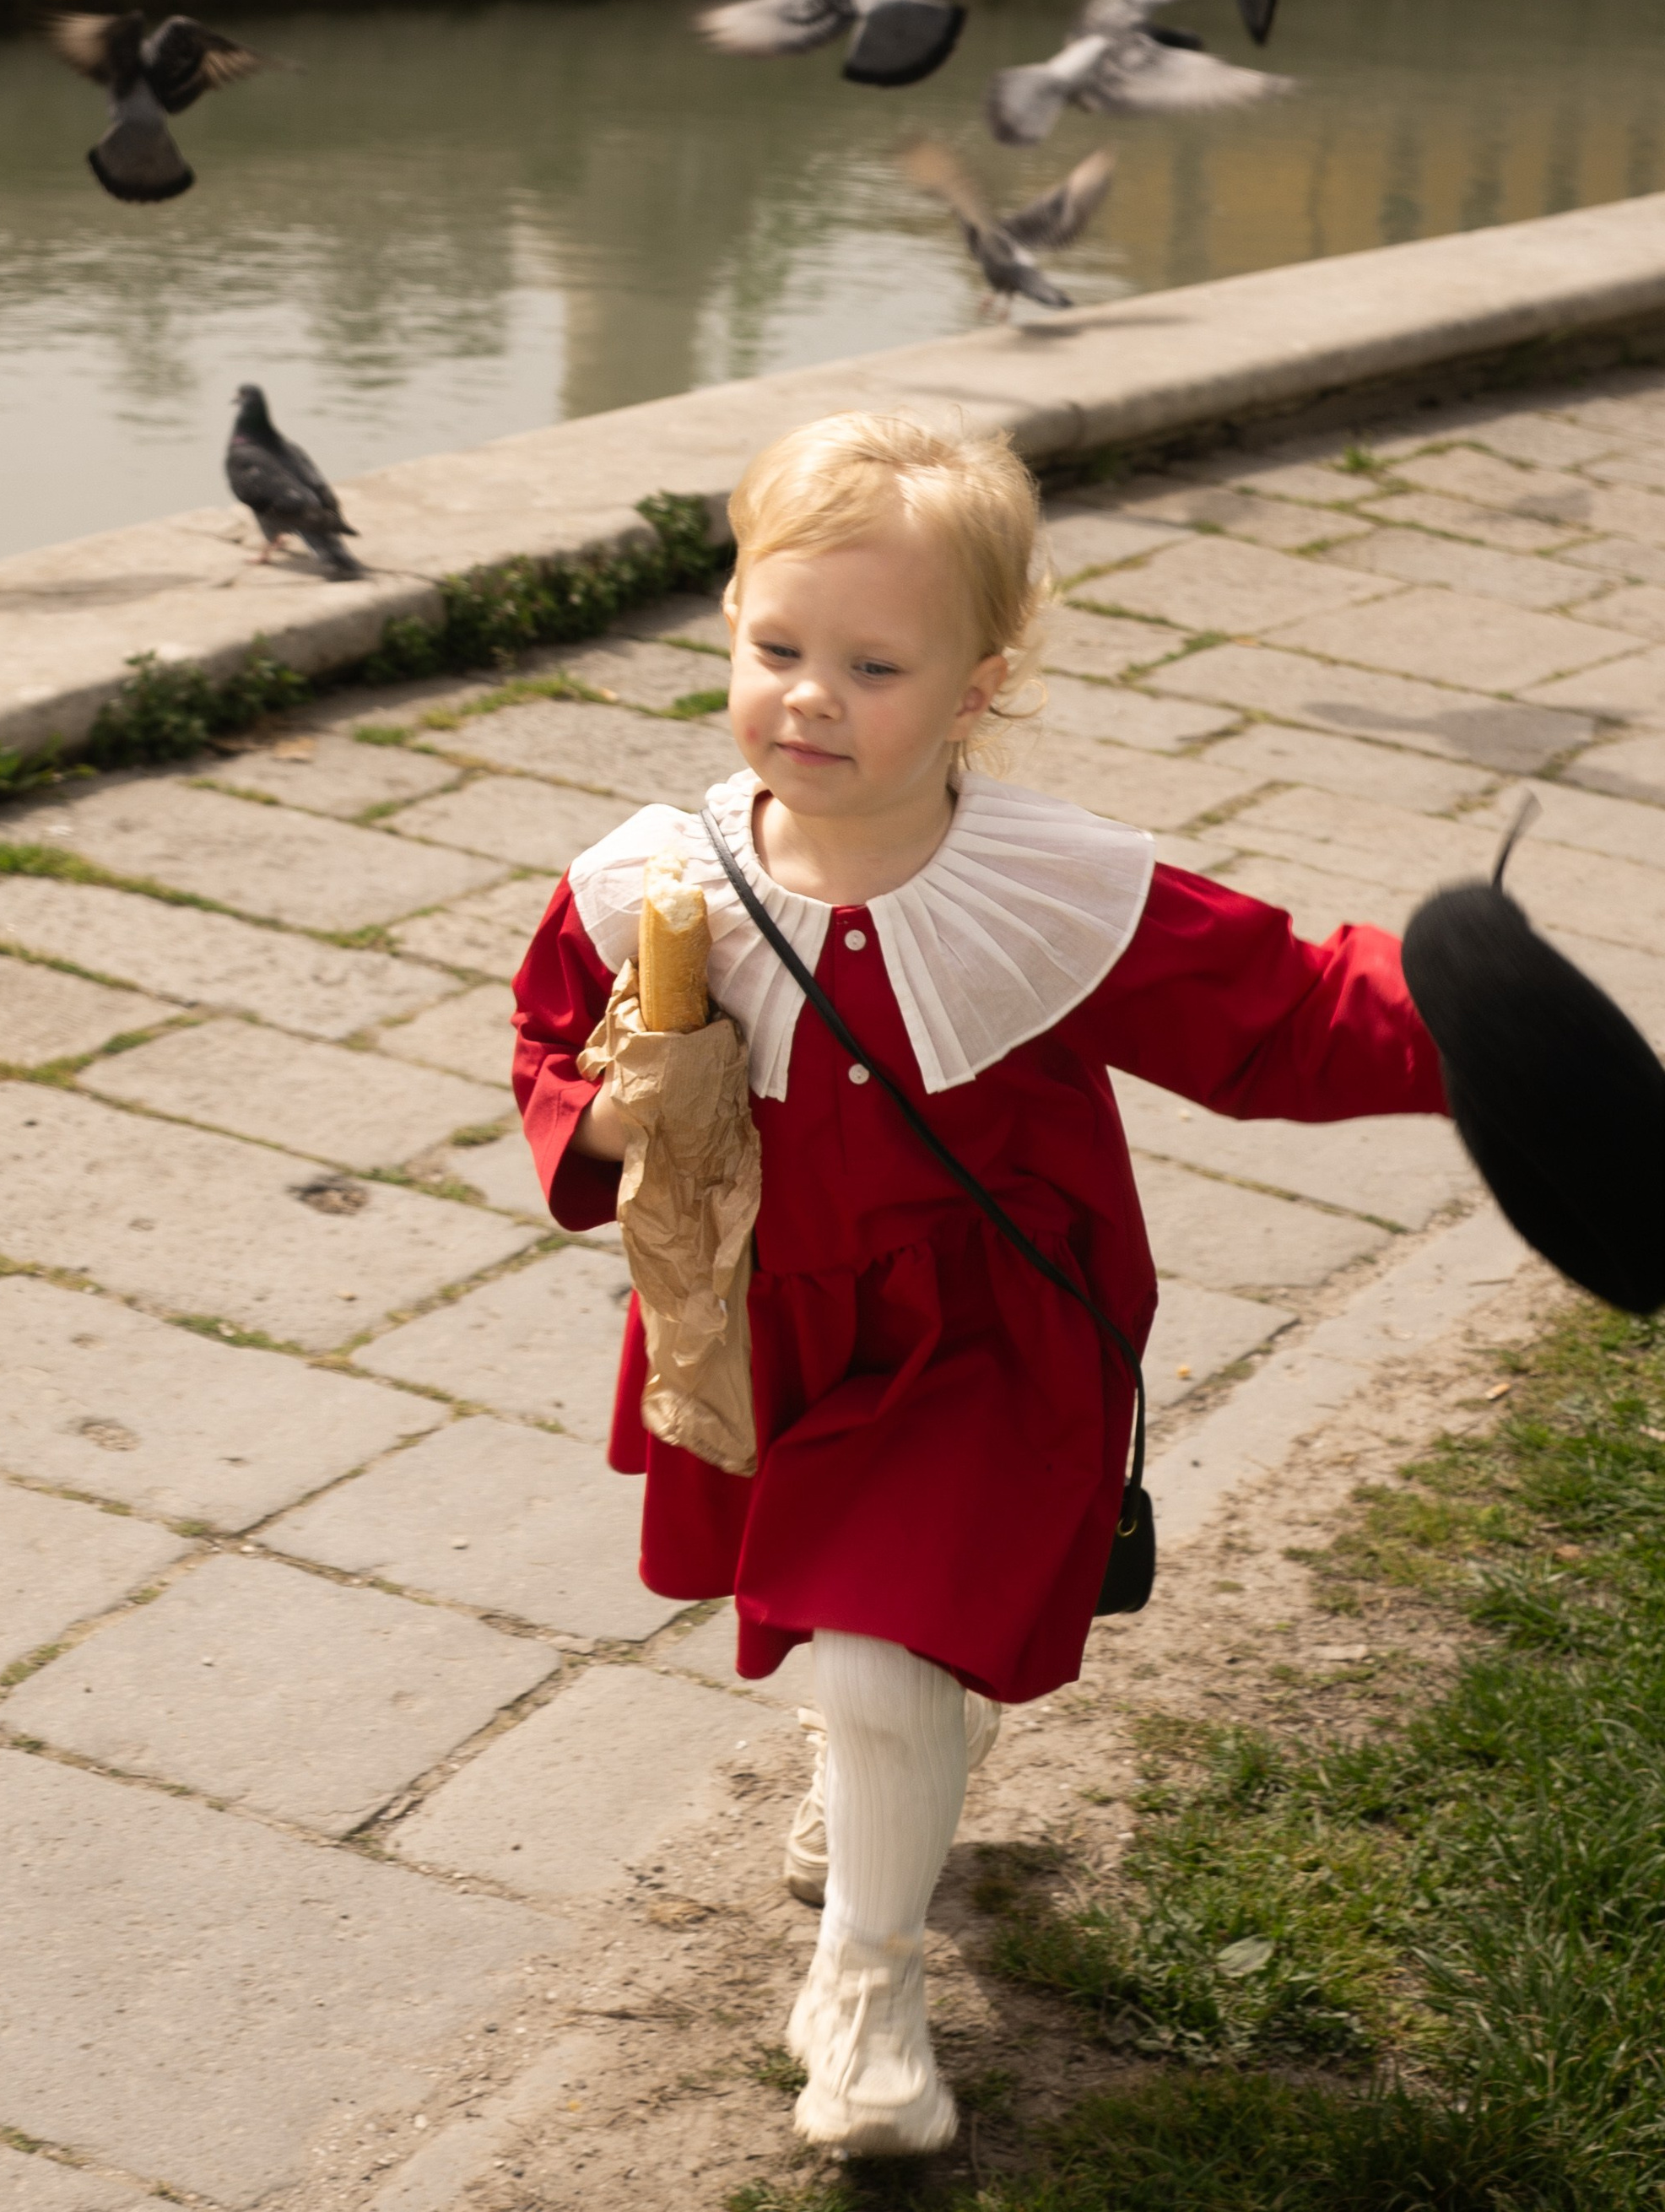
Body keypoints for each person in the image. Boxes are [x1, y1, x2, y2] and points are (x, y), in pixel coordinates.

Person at [511, 408, 1446, 2161]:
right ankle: (884, 1763)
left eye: (873, 666)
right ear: (729, 623)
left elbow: (1278, 1013)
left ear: (976, 687)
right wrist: (617, 1108)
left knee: (883, 1647)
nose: (810, 698)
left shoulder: (1047, 889)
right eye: (775, 647)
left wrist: (1478, 1024)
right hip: (771, 1322)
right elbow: (547, 1038)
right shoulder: (655, 882)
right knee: (865, 1643)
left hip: (984, 1336)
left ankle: (863, 1990)